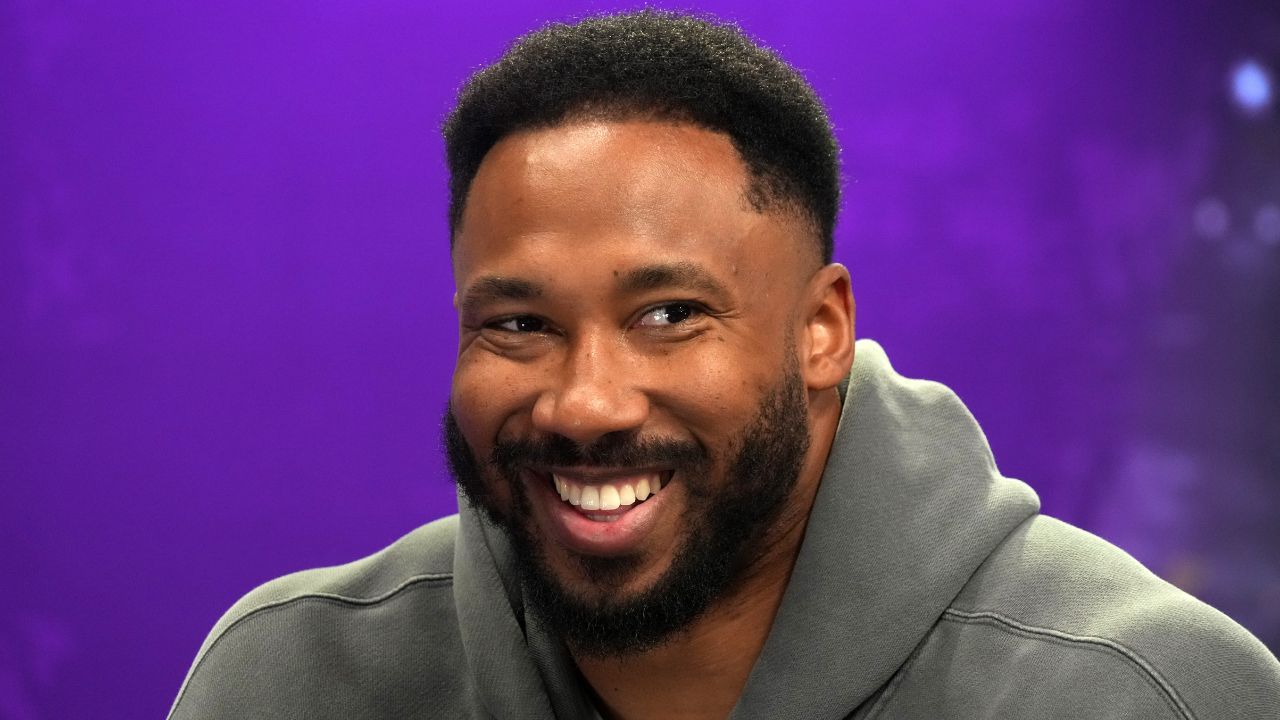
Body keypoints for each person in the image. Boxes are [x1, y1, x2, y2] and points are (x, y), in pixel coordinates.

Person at [168, 10, 1280, 719]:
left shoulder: (1133, 695)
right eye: (515, 325)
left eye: (666, 314)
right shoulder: (289, 681)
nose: (584, 403)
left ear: (821, 331)